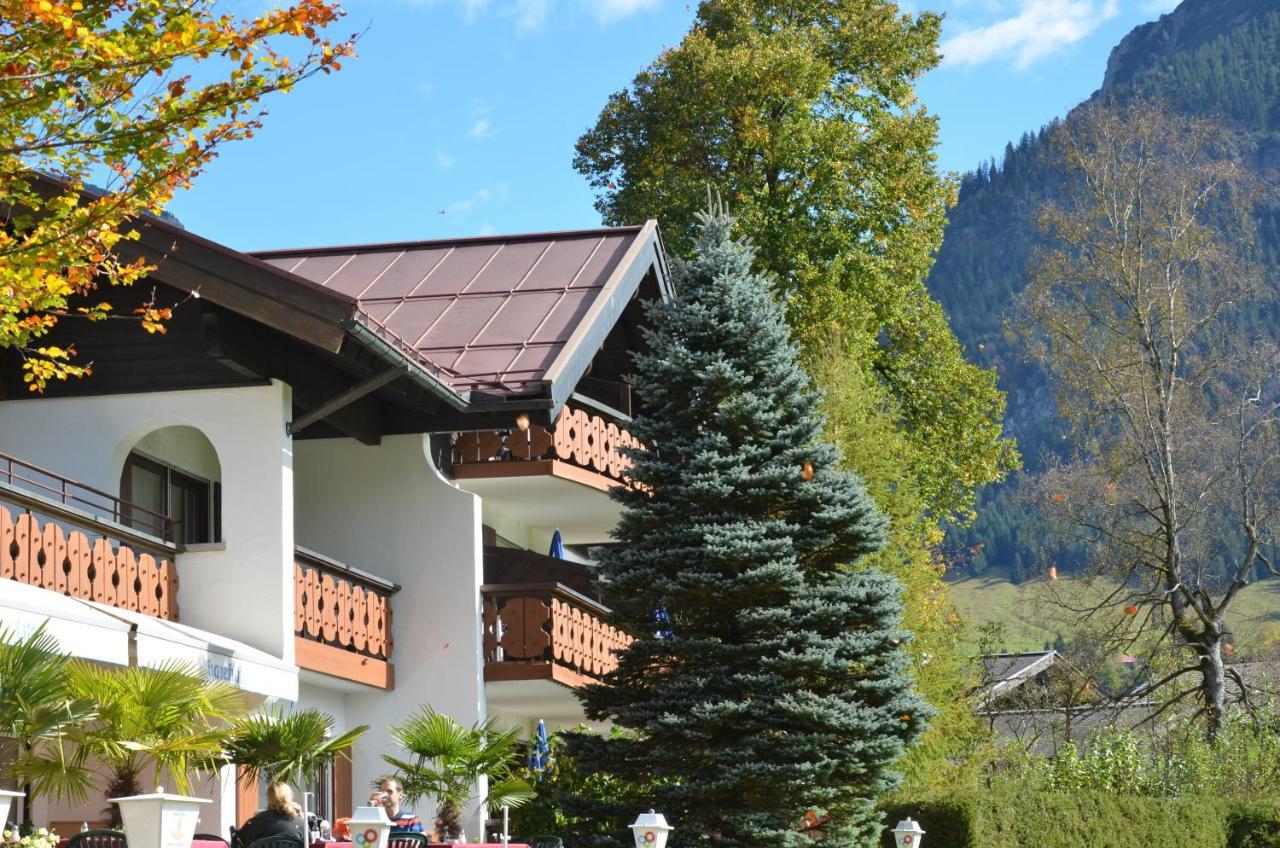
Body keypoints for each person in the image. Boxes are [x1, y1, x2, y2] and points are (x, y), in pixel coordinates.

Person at [236, 781, 307, 848]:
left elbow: (239, 841)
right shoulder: (301, 824)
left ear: (269, 798)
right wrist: (302, 817)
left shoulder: (254, 822)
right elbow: (310, 843)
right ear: (289, 797)